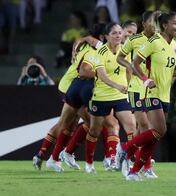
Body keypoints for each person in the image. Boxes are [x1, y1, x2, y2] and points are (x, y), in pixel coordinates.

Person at [118, 11, 176, 181]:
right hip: (151, 92)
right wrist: (145, 80)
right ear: (165, 25)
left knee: (157, 134)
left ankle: (134, 171)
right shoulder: (153, 41)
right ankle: (126, 147)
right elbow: (135, 63)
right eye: (175, 23)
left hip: (165, 93)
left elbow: (175, 71)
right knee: (159, 130)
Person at [32, 24, 104, 171]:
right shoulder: (96, 49)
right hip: (71, 87)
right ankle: (61, 154)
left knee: (71, 124)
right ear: (102, 36)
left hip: (73, 85)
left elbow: (79, 40)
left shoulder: (85, 45)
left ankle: (47, 155)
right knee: (84, 122)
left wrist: (83, 39)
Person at [84, 22, 137, 173]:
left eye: (120, 33)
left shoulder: (125, 50)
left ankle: (127, 159)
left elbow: (129, 70)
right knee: (94, 130)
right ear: (106, 36)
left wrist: (128, 86)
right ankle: (89, 163)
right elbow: (102, 76)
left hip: (120, 96)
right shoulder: (100, 52)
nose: (118, 36)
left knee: (131, 127)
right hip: (101, 96)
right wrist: (118, 86)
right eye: (114, 33)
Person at [117, 11, 158, 178]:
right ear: (144, 23)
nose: (155, 25)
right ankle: (146, 165)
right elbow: (120, 57)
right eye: (152, 21)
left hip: (154, 89)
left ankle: (132, 155)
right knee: (145, 126)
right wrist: (129, 66)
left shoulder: (160, 41)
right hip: (136, 88)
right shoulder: (134, 40)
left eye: (157, 21)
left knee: (147, 130)